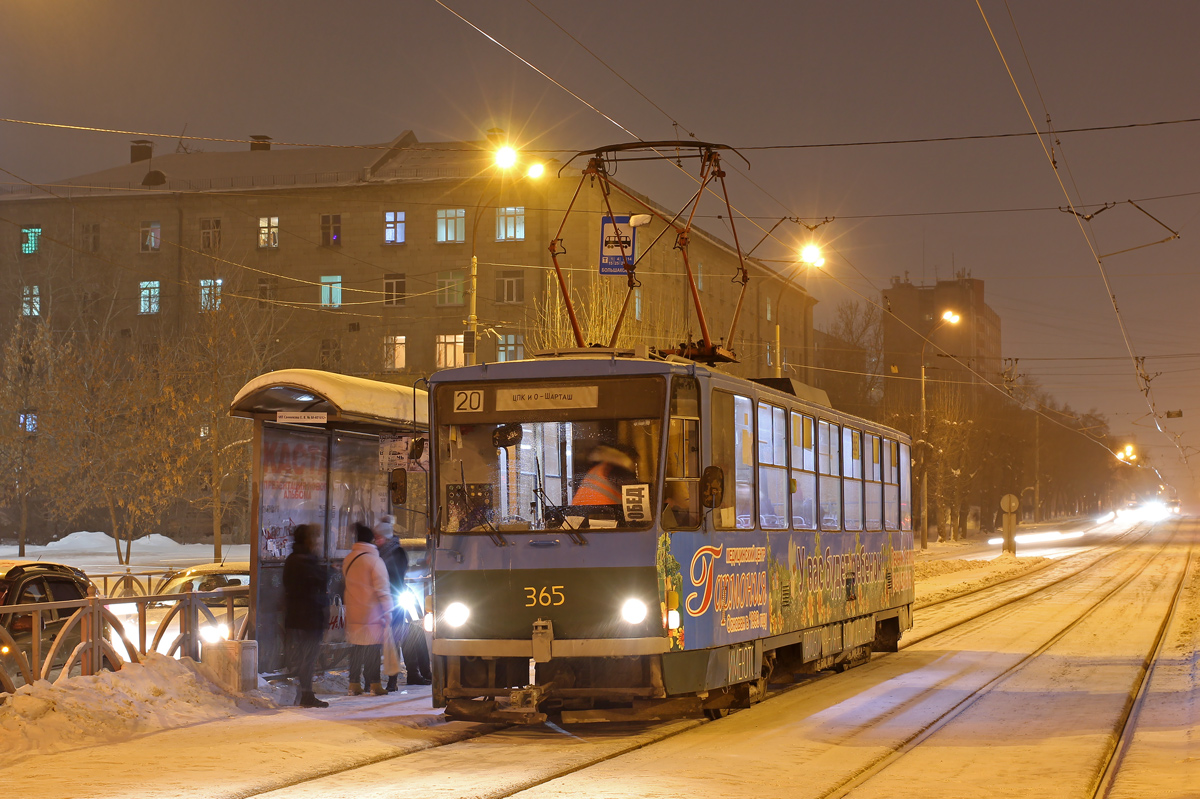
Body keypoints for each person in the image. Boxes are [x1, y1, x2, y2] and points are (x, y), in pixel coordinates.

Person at [374, 515, 432, 688]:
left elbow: (396, 577)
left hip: (391, 600)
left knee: (398, 638)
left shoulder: (391, 554)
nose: (377, 540)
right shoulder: (386, 553)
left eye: (380, 537)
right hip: (387, 600)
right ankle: (410, 674)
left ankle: (398, 678)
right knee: (400, 637)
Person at [342, 522, 392, 696]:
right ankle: (374, 684)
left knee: (356, 649)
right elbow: (382, 590)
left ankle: (354, 684)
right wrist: (388, 611)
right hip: (372, 613)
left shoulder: (349, 559)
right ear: (371, 540)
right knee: (372, 650)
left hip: (353, 611)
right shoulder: (374, 561)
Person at [282, 524, 329, 708]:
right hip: (308, 617)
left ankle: (304, 693)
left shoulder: (293, 559)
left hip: (297, 616)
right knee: (307, 658)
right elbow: (319, 580)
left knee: (304, 656)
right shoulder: (305, 560)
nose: (316, 541)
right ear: (306, 540)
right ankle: (306, 695)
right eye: (313, 538)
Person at [572, 444, 639, 506]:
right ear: (627, 455)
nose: (635, 467)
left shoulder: (599, 469)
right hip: (600, 514)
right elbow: (635, 496)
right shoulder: (618, 470)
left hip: (581, 513)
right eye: (634, 462)